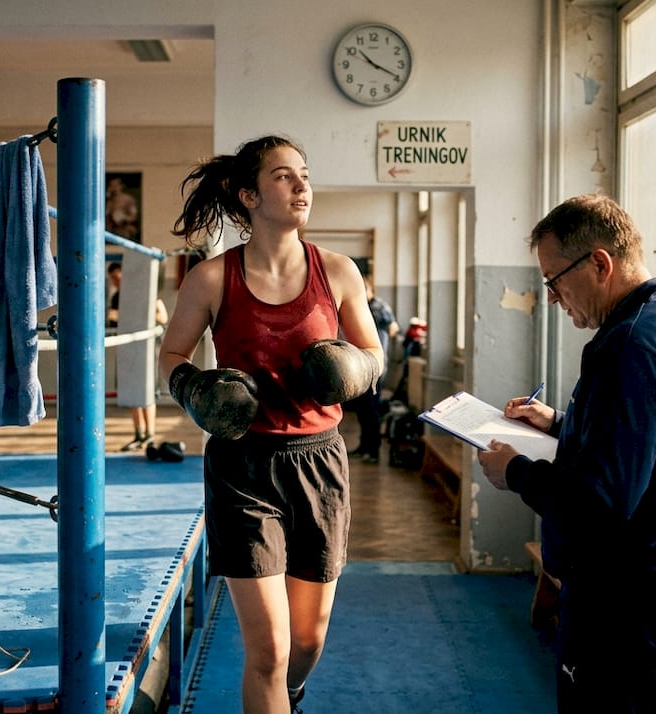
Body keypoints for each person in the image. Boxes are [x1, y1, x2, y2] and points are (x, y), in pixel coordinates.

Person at [475, 194, 656, 714]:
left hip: (628, 603)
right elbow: (645, 448)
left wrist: (515, 472)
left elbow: (601, 503)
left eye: (553, 280)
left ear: (599, 263)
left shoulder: (629, 345)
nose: (551, 297)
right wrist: (559, 424)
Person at [158, 135, 382, 714]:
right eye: (284, 176)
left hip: (319, 462)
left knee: (306, 644)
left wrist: (351, 368)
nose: (301, 185)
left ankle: (292, 694)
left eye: (304, 174)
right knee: (269, 652)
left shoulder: (338, 272)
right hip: (243, 466)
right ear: (249, 195)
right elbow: (172, 355)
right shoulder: (210, 279)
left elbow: (374, 356)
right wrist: (195, 388)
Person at [108, 260, 171, 451]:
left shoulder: (147, 294)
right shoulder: (117, 297)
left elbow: (163, 317)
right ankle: (139, 434)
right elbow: (112, 320)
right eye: (113, 279)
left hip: (148, 349)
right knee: (131, 390)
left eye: (119, 278)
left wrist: (142, 314)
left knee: (147, 391)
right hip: (128, 348)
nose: (117, 282)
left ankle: (150, 435)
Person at [348, 275, 398, 463]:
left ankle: (374, 450)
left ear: (369, 289)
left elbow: (393, 328)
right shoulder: (359, 305)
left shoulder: (378, 307)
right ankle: (364, 446)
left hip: (374, 367)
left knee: (370, 409)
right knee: (363, 409)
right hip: (360, 367)